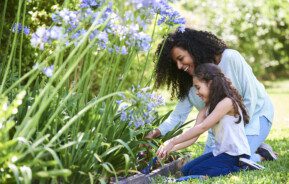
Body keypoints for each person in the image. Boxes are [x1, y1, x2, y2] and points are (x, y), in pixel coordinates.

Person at [146, 28, 277, 164]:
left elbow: (251, 98)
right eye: (175, 63)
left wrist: (237, 136)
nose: (179, 66)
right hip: (220, 130)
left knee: (236, 160)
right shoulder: (189, 83)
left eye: (181, 58)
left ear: (193, 49)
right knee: (208, 163)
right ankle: (255, 147)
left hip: (255, 116)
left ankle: (262, 155)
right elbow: (178, 116)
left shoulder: (230, 58)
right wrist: (156, 132)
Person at [156, 63, 260, 181]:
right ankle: (231, 166)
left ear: (210, 83)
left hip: (236, 155)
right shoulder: (207, 108)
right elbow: (194, 136)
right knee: (186, 170)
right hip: (220, 153)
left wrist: (172, 141)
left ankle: (242, 167)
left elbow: (202, 127)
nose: (196, 92)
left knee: (196, 171)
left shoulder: (227, 102)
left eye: (198, 87)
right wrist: (169, 149)